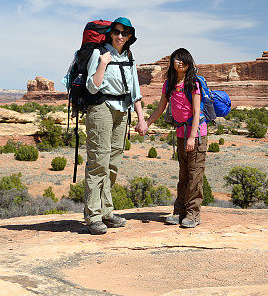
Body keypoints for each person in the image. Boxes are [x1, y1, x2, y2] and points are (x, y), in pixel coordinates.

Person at [83, 17, 147, 235]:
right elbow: (92, 87)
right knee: (98, 161)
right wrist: (103, 63)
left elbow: (135, 91)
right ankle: (93, 215)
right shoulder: (99, 53)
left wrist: (141, 118)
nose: (121, 36)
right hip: (101, 107)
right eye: (117, 32)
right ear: (111, 33)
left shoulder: (129, 57)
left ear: (130, 36)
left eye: (125, 33)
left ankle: (106, 211)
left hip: (122, 110)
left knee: (113, 162)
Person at [146, 48, 207, 228]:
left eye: (183, 59)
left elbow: (196, 112)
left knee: (195, 175)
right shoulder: (169, 85)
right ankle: (179, 212)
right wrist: (146, 123)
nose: (179, 62)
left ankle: (193, 214)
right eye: (176, 59)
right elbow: (159, 110)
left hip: (196, 135)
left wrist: (192, 137)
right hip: (181, 133)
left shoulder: (193, 83)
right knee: (183, 175)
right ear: (172, 62)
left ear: (189, 63)